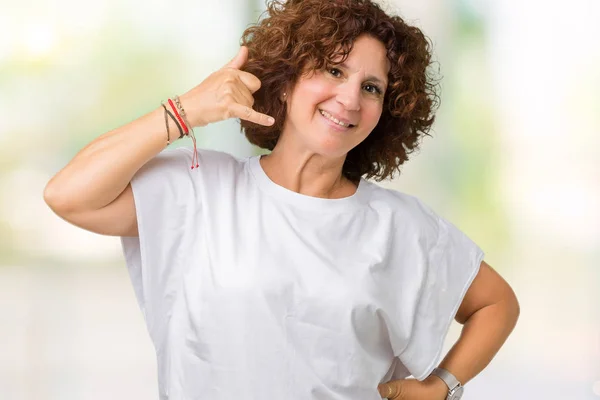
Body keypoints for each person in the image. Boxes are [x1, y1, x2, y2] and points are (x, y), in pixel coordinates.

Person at [43, 0, 520, 399]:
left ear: (386, 112)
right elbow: (69, 196)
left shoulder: (400, 225)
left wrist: (442, 386)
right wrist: (185, 109)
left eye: (370, 87)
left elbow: (496, 304)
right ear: (288, 79)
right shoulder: (201, 188)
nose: (350, 99)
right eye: (334, 70)